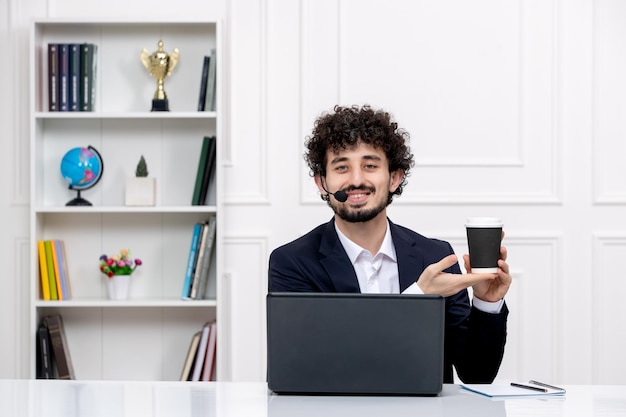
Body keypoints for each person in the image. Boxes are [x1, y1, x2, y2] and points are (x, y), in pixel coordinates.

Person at [268, 104, 511, 384]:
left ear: (394, 177)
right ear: (322, 183)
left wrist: (486, 303)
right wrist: (419, 297)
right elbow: (309, 367)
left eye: (370, 166)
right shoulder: (292, 262)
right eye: (342, 167)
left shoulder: (435, 256)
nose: (356, 180)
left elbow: (477, 374)